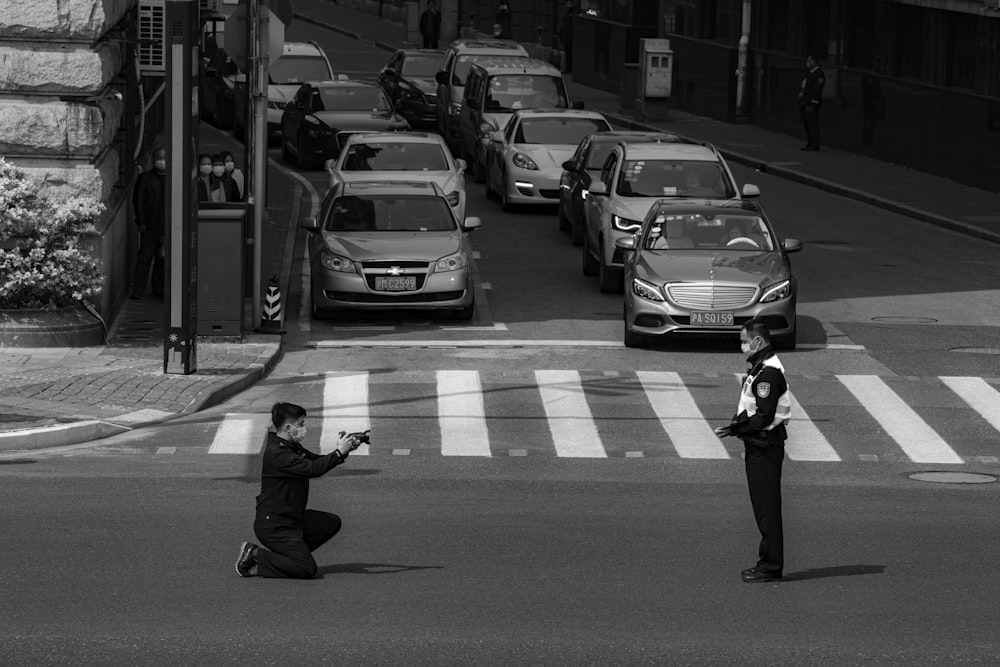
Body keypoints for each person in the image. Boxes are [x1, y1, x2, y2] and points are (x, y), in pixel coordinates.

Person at [235, 402, 364, 579]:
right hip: (275, 526)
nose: (304, 428)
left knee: (330, 523)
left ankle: (290, 557)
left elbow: (316, 461)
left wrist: (344, 450)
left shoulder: (290, 446)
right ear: (288, 427)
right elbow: (313, 470)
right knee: (306, 569)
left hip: (292, 519)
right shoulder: (278, 453)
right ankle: (256, 554)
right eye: (301, 424)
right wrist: (339, 453)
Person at [714, 320, 791, 583]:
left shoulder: (767, 374)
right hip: (761, 446)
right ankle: (767, 562)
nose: (742, 345)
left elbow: (765, 416)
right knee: (765, 509)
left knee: (767, 510)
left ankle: (770, 566)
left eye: (744, 340)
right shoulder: (761, 368)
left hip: (764, 448)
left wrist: (735, 429)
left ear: (758, 342)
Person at [130, 146, 166, 299]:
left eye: (164, 158)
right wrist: (141, 222)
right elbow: (138, 200)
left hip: (166, 227)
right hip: (149, 227)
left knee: (162, 259)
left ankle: (158, 289)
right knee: (144, 258)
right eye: (159, 158)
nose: (162, 162)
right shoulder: (145, 178)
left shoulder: (174, 179)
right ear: (153, 160)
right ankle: (137, 290)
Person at [797, 55, 825, 151]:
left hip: (811, 104)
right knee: (807, 124)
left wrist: (813, 104)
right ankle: (810, 143)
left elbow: (817, 91)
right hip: (805, 101)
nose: (808, 63)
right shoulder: (810, 73)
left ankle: (815, 144)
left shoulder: (819, 75)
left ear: (814, 62)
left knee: (812, 124)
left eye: (809, 61)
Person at [558, 1, 578, 74]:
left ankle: (570, 68)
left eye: (568, 3)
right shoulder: (567, 14)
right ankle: (569, 68)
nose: (567, 5)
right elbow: (563, 26)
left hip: (569, 38)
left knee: (570, 54)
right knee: (568, 54)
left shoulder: (571, 14)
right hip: (566, 37)